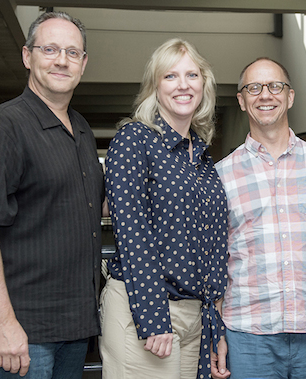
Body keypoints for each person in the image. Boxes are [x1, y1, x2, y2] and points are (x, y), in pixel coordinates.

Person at [212, 57, 306, 379]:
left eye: (275, 86)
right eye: (254, 88)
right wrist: (216, 331)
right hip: (247, 335)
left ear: (290, 96)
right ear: (241, 100)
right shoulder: (219, 177)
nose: (266, 95)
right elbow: (216, 259)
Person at [0, 11, 105, 379]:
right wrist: (2, 322)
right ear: (26, 56)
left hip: (74, 330)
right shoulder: (3, 126)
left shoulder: (80, 128)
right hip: (20, 334)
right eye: (50, 49)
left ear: (83, 63)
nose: (61, 60)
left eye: (72, 52)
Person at [101, 38, 228, 379]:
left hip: (194, 316)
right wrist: (153, 317)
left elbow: (214, 243)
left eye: (191, 75)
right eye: (170, 76)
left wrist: (214, 323)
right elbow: (131, 233)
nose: (183, 85)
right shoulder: (134, 140)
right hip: (146, 310)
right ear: (155, 86)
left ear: (204, 84)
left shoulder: (200, 157)